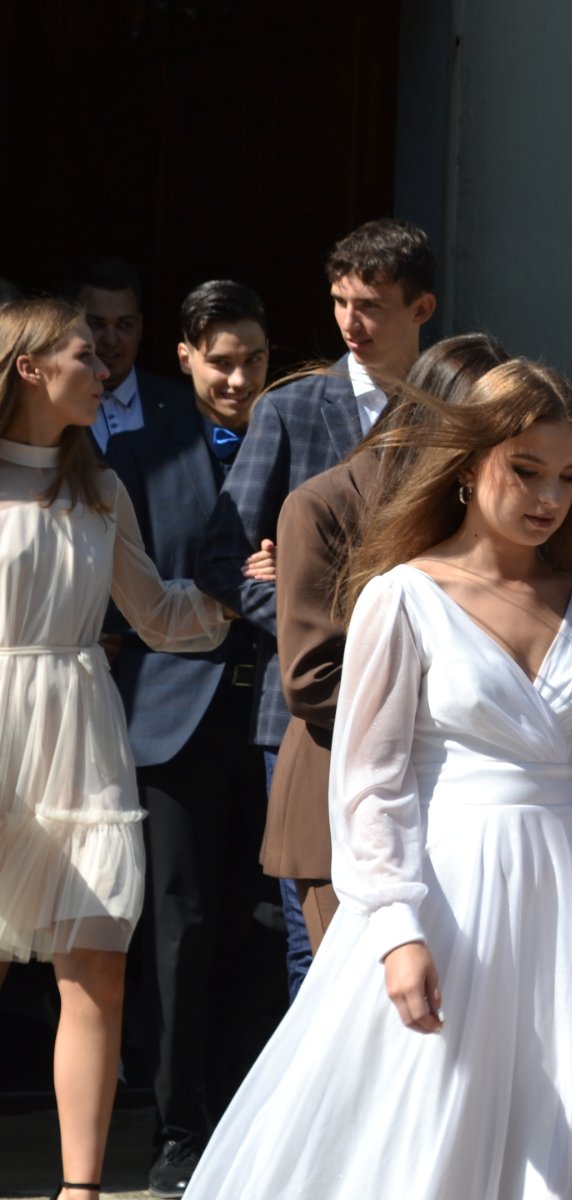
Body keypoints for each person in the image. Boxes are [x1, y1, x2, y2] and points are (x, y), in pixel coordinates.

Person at [184, 360, 572, 1200]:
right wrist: (397, 929)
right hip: (441, 887)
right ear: (468, 463)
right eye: (526, 469)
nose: (549, 497)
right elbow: (368, 783)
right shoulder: (402, 596)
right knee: (420, 1116)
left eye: (567, 476)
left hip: (569, 890)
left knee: (560, 1121)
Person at [0, 298, 233, 1200]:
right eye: (84, 356)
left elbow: (158, 616)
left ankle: (81, 1190)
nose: (105, 371)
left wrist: (240, 595)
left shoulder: (100, 487)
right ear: (30, 368)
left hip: (81, 733)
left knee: (97, 962)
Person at [196, 218, 438, 997]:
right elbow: (221, 557)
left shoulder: (452, 411)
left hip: (430, 701)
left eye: (370, 305)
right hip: (310, 708)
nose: (349, 323)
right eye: (339, 302)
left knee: (422, 924)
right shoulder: (292, 407)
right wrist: (310, 614)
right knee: (317, 942)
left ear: (422, 309)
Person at [103, 280, 277, 1197]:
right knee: (181, 925)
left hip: (277, 716)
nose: (238, 379)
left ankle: (256, 1116)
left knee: (268, 921)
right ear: (184, 357)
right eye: (220, 362)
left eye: (254, 360)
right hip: (172, 719)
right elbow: (117, 600)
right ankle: (178, 1130)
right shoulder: (135, 453)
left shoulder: (294, 446)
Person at [264, 334, 511, 951]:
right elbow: (311, 677)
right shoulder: (324, 504)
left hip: (460, 810)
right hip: (341, 798)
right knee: (353, 1002)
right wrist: (465, 712)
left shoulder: (479, 511)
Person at [69, 258, 151, 450]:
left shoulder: (181, 406)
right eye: (96, 324)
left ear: (139, 328)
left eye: (125, 325)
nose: (111, 340)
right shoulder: (50, 408)